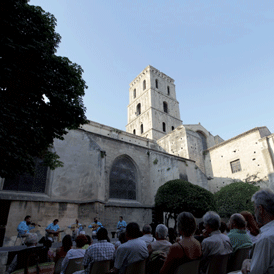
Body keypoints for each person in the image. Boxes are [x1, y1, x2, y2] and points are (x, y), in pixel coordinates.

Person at [241, 188, 274, 274]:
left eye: (255, 209)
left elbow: (255, 272)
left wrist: (246, 262)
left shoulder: (266, 238)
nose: (254, 213)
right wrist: (249, 261)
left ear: (261, 209)